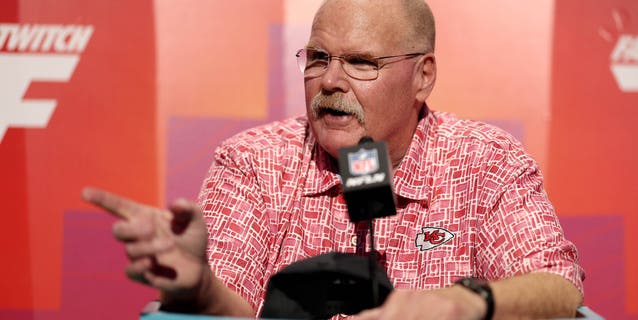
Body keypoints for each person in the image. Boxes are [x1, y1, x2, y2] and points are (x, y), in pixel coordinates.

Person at [82, 0, 585, 319]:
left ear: (423, 76)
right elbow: (229, 303)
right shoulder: (254, 161)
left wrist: (469, 301)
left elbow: (557, 288)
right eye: (319, 58)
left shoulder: (487, 161)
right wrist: (199, 287)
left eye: (361, 62)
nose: (329, 82)